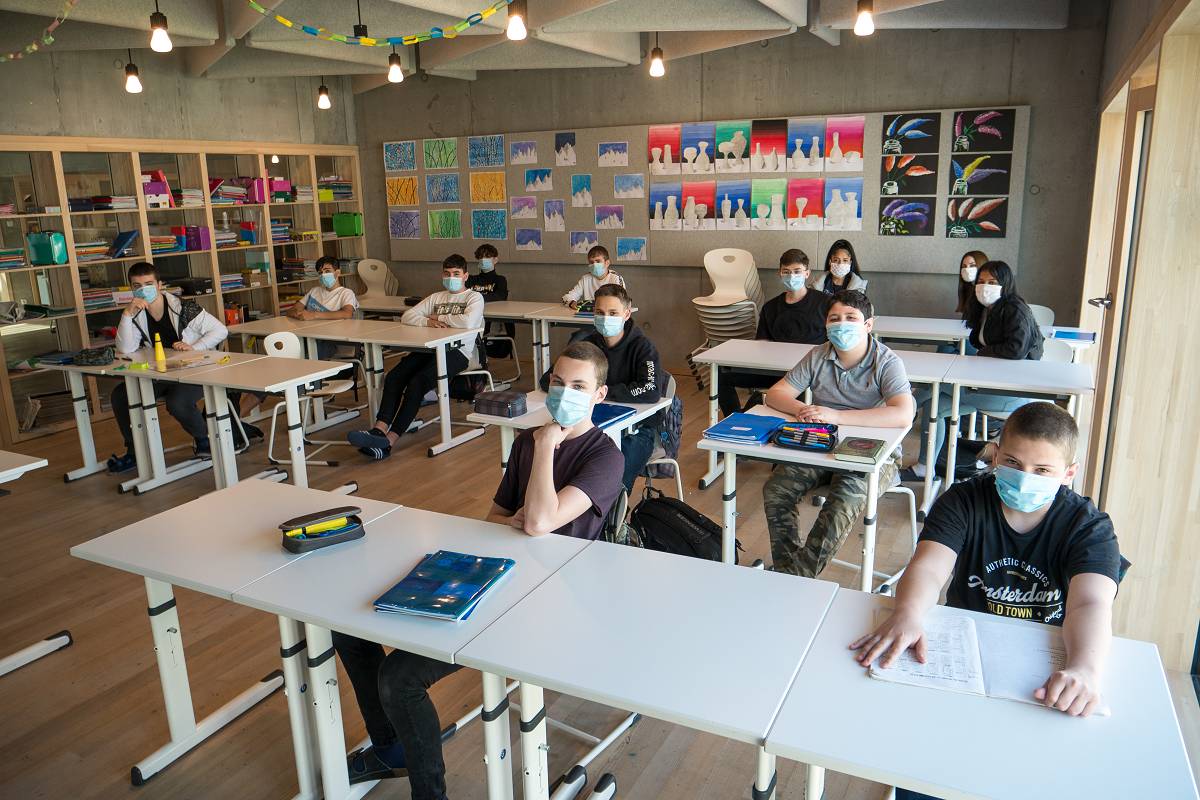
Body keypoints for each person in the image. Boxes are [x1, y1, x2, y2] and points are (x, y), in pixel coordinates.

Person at [331, 342, 624, 796]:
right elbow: (494, 518)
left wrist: (547, 445)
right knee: (348, 630)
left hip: (545, 596)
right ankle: (391, 747)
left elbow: (539, 522)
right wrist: (523, 513)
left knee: (400, 677)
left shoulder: (604, 457)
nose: (565, 393)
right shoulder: (526, 442)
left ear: (600, 394)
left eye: (579, 386)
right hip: (494, 571)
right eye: (558, 383)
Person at [853, 403, 1121, 800]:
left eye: (1042, 470)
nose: (1024, 477)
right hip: (963, 652)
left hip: (1041, 663)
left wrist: (1085, 668)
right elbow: (929, 567)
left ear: (1069, 473)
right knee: (929, 768)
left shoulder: (1088, 527)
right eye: (1012, 462)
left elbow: (1091, 604)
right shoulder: (963, 500)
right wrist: (907, 612)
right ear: (995, 455)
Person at [761, 290, 914, 577]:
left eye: (851, 318)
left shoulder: (886, 361)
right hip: (821, 444)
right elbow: (776, 394)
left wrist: (837, 416)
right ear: (826, 324)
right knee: (777, 489)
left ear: (868, 324)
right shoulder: (818, 355)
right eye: (834, 318)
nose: (841, 324)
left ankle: (798, 576)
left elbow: (903, 413)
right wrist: (801, 409)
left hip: (874, 452)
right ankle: (786, 568)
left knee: (844, 500)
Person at [905, 260, 1044, 481]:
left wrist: (984, 352)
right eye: (981, 281)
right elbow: (977, 341)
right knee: (934, 406)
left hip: (1008, 393)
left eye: (992, 282)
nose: (985, 287)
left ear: (1006, 283)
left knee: (932, 385)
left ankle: (903, 415)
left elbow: (1015, 349)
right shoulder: (987, 309)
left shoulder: (1015, 309)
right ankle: (925, 467)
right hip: (985, 384)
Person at [345, 254, 482, 460]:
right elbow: (408, 316)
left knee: (417, 383)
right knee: (394, 377)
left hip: (458, 352)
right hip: (429, 349)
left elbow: (468, 322)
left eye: (456, 274)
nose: (451, 278)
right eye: (447, 273)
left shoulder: (474, 298)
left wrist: (437, 316)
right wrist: (427, 322)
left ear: (465, 276)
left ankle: (389, 441)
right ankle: (379, 430)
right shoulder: (436, 297)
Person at [540, 284, 666, 492]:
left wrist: (601, 392)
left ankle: (613, 511)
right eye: (599, 312)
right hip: (591, 423)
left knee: (613, 475)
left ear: (626, 314)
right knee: (556, 457)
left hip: (638, 430)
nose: (605, 318)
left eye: (613, 313)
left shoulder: (643, 347)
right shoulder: (586, 344)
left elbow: (651, 390)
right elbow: (548, 379)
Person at [106, 261, 228, 473]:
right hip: (161, 373)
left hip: (195, 371)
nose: (143, 289)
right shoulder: (136, 312)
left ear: (159, 285)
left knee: (177, 402)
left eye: (148, 284)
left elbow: (220, 330)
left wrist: (193, 347)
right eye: (137, 286)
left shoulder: (183, 308)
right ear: (131, 289)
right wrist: (126, 314)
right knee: (121, 395)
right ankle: (135, 451)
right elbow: (125, 348)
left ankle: (204, 440)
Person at [718, 248, 830, 416]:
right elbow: (762, 344)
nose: (792, 276)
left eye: (797, 271)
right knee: (721, 376)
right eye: (786, 272)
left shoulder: (825, 303)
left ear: (807, 273)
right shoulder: (770, 307)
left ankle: (760, 406)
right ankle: (735, 418)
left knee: (795, 400)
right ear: (780, 274)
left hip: (808, 373)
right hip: (775, 371)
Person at [286, 255, 358, 359]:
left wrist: (314, 315)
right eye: (320, 273)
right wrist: (299, 314)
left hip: (330, 340)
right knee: (288, 345)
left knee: (304, 355)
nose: (323, 275)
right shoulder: (314, 291)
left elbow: (347, 313)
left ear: (337, 272)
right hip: (308, 335)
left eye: (327, 271)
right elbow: (292, 310)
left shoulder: (346, 293)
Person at [467, 243, 514, 359]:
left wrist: (476, 298)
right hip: (472, 320)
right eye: (481, 257)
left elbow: (499, 296)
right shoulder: (471, 279)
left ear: (495, 260)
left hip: (492, 323)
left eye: (487, 257)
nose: (484, 260)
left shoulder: (500, 280)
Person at [562, 244, 625, 309]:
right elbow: (567, 297)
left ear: (607, 263)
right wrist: (572, 302)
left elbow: (622, 300)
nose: (594, 265)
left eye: (598, 261)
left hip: (609, 313)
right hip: (589, 313)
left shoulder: (616, 278)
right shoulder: (585, 278)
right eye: (591, 262)